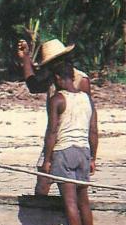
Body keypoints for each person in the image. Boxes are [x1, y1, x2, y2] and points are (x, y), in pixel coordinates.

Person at [16, 38, 92, 196]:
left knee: (74, 193)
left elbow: (90, 118)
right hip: (56, 141)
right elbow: (33, 86)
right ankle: (39, 217)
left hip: (71, 141)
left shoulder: (80, 80)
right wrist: (25, 59)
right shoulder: (53, 78)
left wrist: (92, 155)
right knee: (43, 183)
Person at [42, 59, 98, 225]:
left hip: (64, 151)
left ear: (57, 78)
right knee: (84, 201)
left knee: (70, 202)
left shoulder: (57, 99)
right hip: (83, 151)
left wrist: (47, 160)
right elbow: (93, 131)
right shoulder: (87, 99)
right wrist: (93, 158)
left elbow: (52, 132)